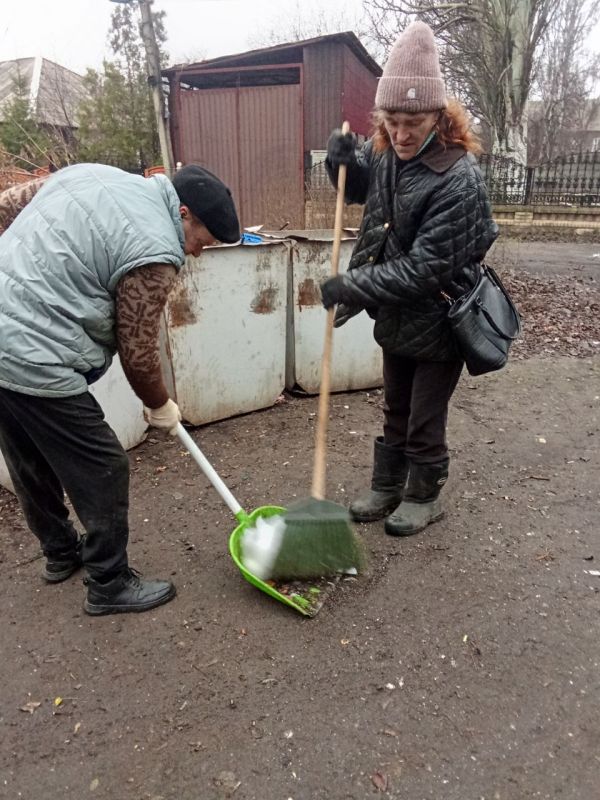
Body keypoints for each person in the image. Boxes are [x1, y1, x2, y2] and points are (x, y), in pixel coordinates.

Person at [0, 162, 240, 614]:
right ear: (184, 213)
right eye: (201, 241)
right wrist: (160, 405)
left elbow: (7, 206)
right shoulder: (155, 250)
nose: (198, 254)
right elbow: (138, 350)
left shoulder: (90, 175)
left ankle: (59, 553)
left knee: (29, 454)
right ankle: (108, 583)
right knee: (103, 464)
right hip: (37, 352)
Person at [321, 21, 498, 537]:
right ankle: (387, 485)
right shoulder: (387, 153)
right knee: (395, 403)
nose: (401, 133)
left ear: (438, 118)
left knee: (423, 415)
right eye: (392, 120)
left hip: (441, 314)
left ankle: (424, 495)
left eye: (413, 121)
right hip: (398, 312)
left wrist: (353, 286)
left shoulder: (459, 179)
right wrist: (341, 167)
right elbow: (366, 192)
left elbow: (425, 269)